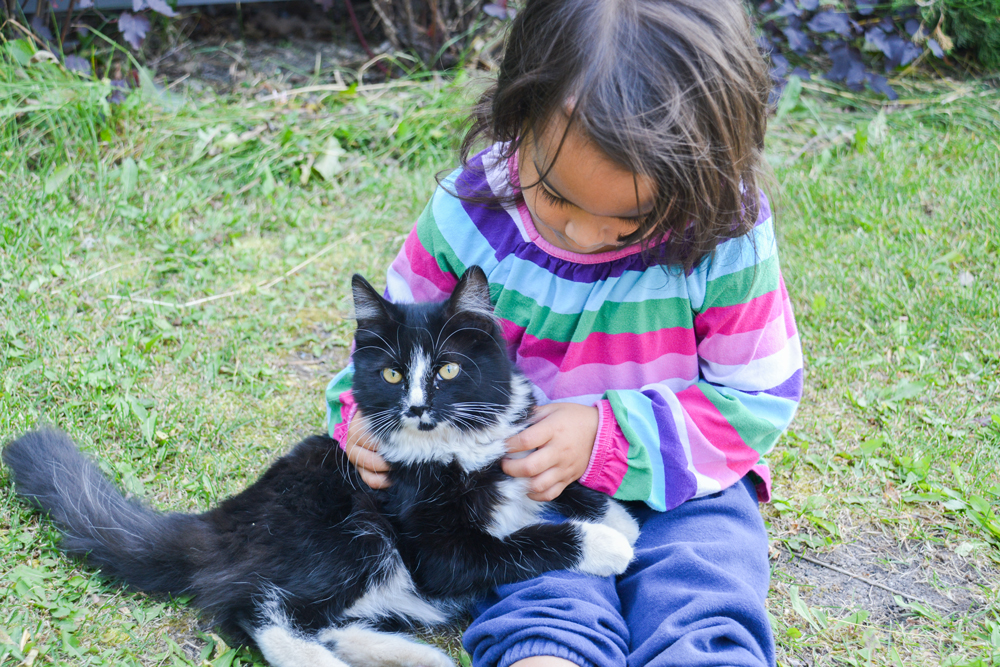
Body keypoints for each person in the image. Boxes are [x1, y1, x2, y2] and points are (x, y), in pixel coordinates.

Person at [326, 1, 803, 665]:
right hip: (524, 479)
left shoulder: (723, 233)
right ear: (517, 113)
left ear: (705, 177)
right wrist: (361, 420)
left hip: (689, 484)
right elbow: (394, 343)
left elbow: (757, 395)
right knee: (537, 591)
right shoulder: (471, 212)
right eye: (555, 197)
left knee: (705, 580)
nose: (582, 233)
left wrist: (609, 438)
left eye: (629, 221)